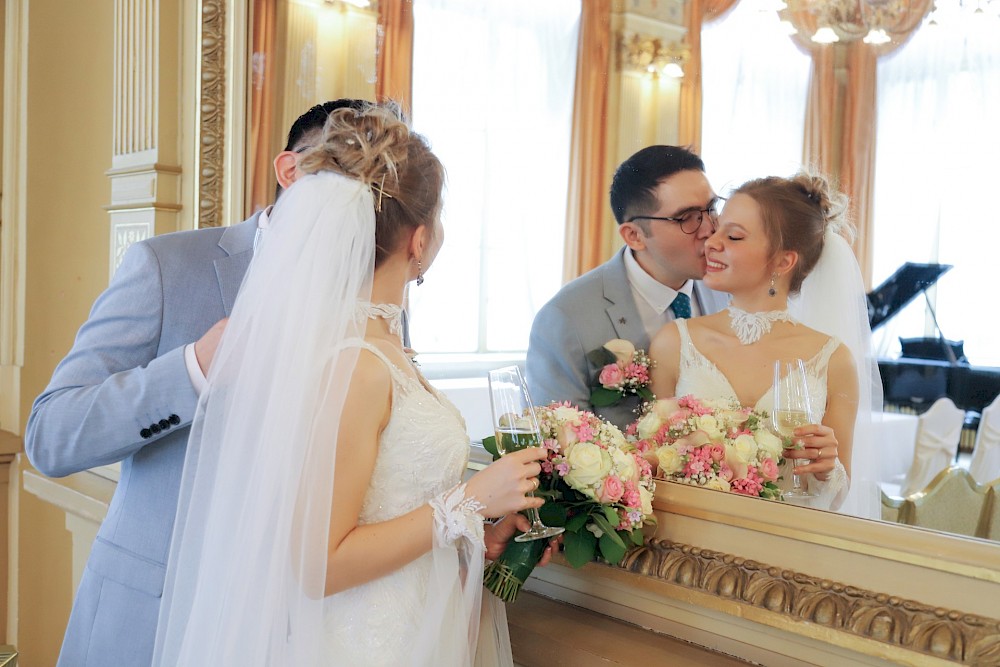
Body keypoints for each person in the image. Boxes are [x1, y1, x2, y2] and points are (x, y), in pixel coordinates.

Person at [151, 103, 546, 665]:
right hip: (359, 643)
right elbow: (318, 564)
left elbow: (388, 509)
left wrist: (475, 531)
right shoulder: (357, 364)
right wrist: (468, 499)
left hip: (412, 627)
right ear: (419, 239)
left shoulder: (385, 348)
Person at [648, 172, 880, 515]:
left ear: (783, 261)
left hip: (785, 546)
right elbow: (650, 461)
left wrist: (829, 465)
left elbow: (837, 496)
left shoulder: (833, 360)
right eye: (718, 229)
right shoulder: (674, 342)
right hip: (690, 545)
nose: (712, 242)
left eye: (735, 236)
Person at [526, 146, 728, 431]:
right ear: (634, 235)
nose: (709, 229)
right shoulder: (566, 319)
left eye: (711, 209)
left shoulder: (730, 292)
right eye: (687, 218)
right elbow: (559, 450)